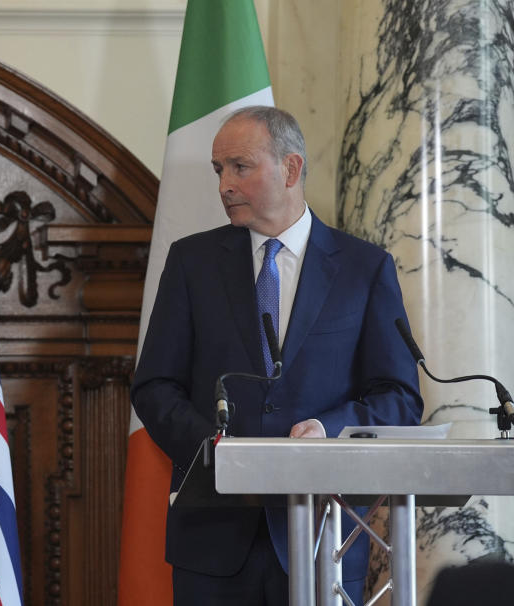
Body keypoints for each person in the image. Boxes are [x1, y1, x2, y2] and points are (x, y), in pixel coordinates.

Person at [132, 106, 423, 606]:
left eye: (239, 167)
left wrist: (327, 431)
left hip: (324, 541)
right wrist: (217, 452)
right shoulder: (191, 262)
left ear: (290, 169)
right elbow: (155, 386)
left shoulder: (363, 268)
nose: (224, 183)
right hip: (214, 541)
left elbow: (398, 397)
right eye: (218, 169)